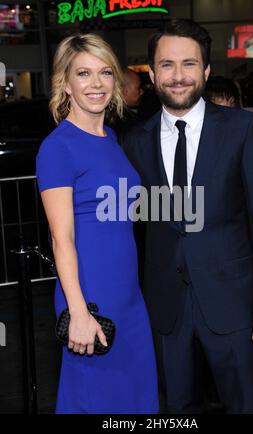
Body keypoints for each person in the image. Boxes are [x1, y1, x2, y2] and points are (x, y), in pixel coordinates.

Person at [121, 19, 253, 414]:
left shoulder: (243, 129)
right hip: (165, 306)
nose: (178, 76)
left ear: (207, 70)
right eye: (166, 65)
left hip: (234, 301)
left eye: (189, 64)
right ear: (153, 73)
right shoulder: (134, 141)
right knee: (175, 410)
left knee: (244, 405)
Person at [36, 33, 158, 414]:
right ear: (65, 83)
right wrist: (77, 312)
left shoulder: (110, 138)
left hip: (129, 296)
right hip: (90, 296)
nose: (96, 83)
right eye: (83, 73)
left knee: (136, 399)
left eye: (105, 72)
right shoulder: (58, 147)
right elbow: (62, 239)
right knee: (96, 399)